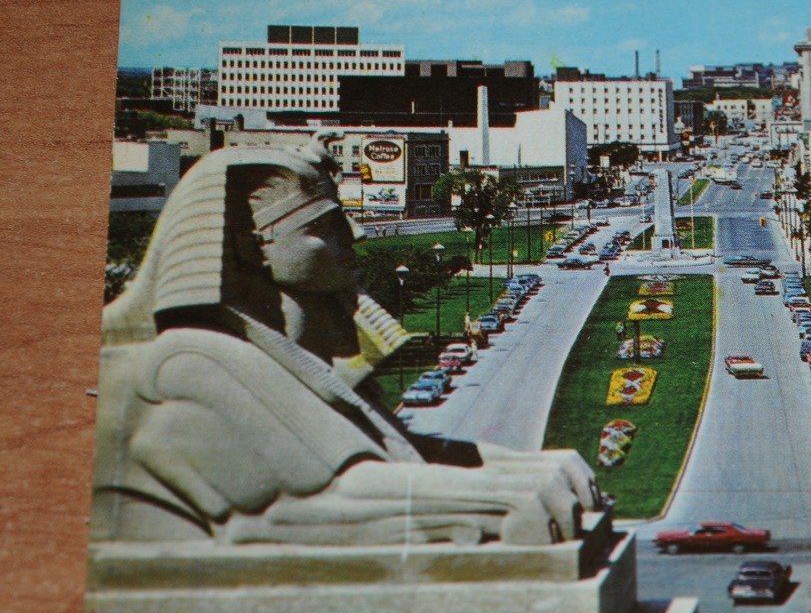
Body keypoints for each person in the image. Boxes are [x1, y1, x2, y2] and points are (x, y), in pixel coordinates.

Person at [93, 135, 600, 548]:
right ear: (251, 246)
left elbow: (392, 456)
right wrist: (499, 494)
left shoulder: (296, 357)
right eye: (324, 227)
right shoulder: (190, 362)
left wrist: (520, 465)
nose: (355, 234)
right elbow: (293, 506)